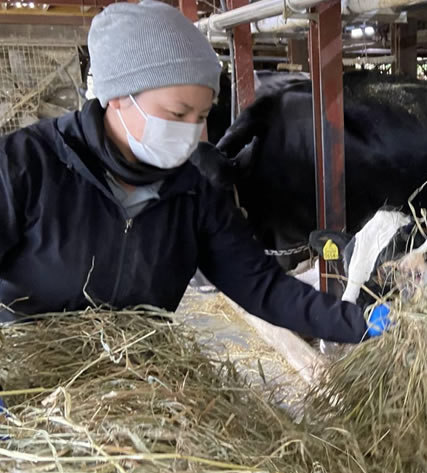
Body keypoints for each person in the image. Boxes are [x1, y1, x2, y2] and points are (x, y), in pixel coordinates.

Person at [0, 0, 389, 342]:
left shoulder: (193, 192)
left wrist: (357, 321)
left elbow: (262, 288)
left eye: (201, 116)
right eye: (177, 113)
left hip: (133, 384)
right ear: (119, 97)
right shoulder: (24, 166)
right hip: (33, 388)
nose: (190, 130)